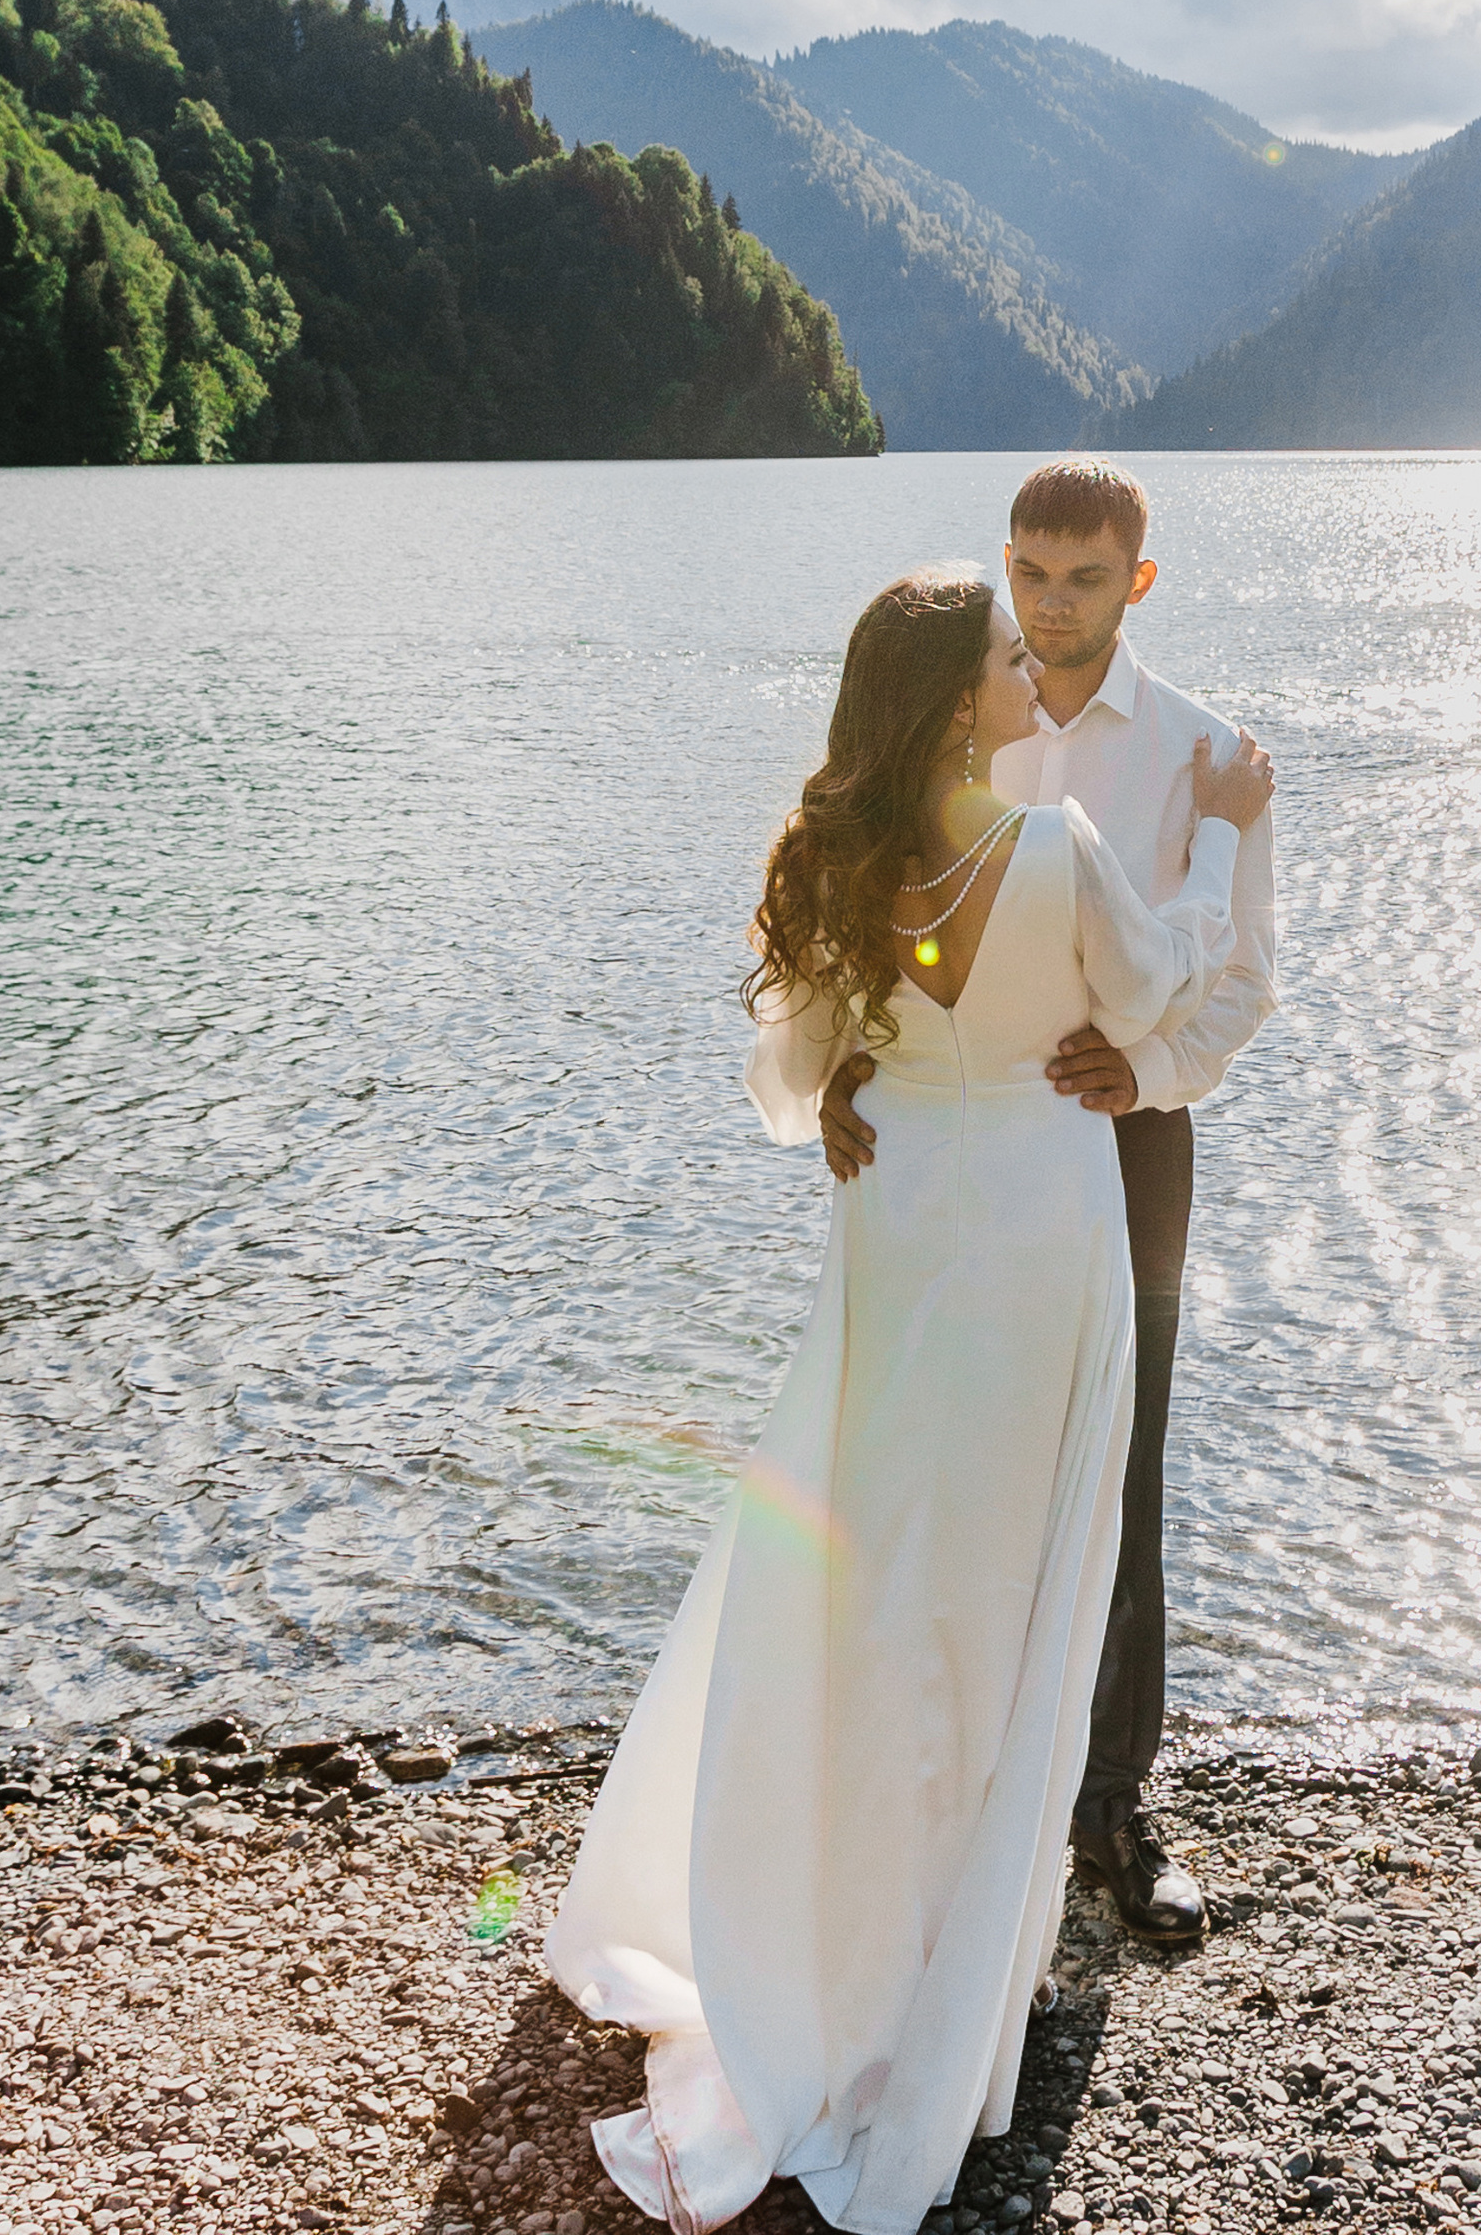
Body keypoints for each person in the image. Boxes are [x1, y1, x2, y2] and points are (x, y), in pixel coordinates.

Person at [545, 567, 1275, 2235]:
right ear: (961, 697)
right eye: (1015, 654)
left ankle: (845, 1931)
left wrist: (879, 1059)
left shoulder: (844, 867)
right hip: (1035, 1239)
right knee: (1012, 1597)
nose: (1039, 665)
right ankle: (945, 1974)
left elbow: (790, 1087)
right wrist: (1227, 822)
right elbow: (1168, 989)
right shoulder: (1054, 851)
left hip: (903, 1243)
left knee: (883, 1586)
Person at [822, 458, 1276, 1949]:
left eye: (1084, 579)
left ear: (1135, 582)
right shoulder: (959, 716)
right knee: (944, 1456)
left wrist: (1136, 1071)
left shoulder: (1209, 754)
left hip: (1122, 1146)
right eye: (1029, 574)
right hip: (952, 1154)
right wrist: (847, 1063)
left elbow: (1242, 990)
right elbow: (881, 925)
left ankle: (1114, 1810)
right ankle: (950, 1793)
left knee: (1119, 1468)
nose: (1052, 605)